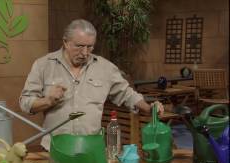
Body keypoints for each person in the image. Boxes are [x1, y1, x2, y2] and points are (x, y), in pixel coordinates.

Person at [19, 19, 164, 151]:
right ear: (65, 42)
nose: (84, 53)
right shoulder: (43, 65)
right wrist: (47, 101)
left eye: (90, 47)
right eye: (79, 46)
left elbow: (127, 94)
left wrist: (149, 108)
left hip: (90, 147)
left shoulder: (105, 68)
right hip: (54, 148)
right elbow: (25, 103)